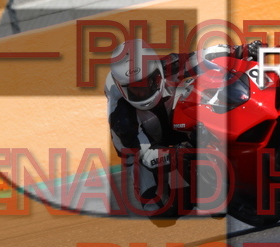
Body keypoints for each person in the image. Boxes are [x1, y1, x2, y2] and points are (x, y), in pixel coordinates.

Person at [105, 38, 263, 222]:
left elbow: (202, 56)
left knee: (199, 93)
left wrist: (242, 50)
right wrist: (176, 154)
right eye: (135, 89)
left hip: (174, 118)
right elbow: (144, 155)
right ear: (121, 88)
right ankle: (197, 194)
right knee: (157, 209)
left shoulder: (168, 66)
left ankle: (233, 151)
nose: (144, 92)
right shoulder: (121, 117)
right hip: (143, 147)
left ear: (157, 71)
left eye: (149, 82)